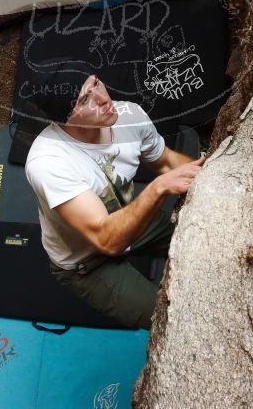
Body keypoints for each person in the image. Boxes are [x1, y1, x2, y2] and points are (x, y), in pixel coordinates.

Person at [25, 67, 205, 329]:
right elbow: (107, 240)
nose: (102, 98)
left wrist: (209, 175)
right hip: (87, 261)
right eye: (84, 99)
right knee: (173, 323)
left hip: (129, 217)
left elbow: (165, 161)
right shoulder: (49, 162)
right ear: (65, 120)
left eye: (96, 83)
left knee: (202, 236)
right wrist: (156, 189)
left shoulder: (128, 115)